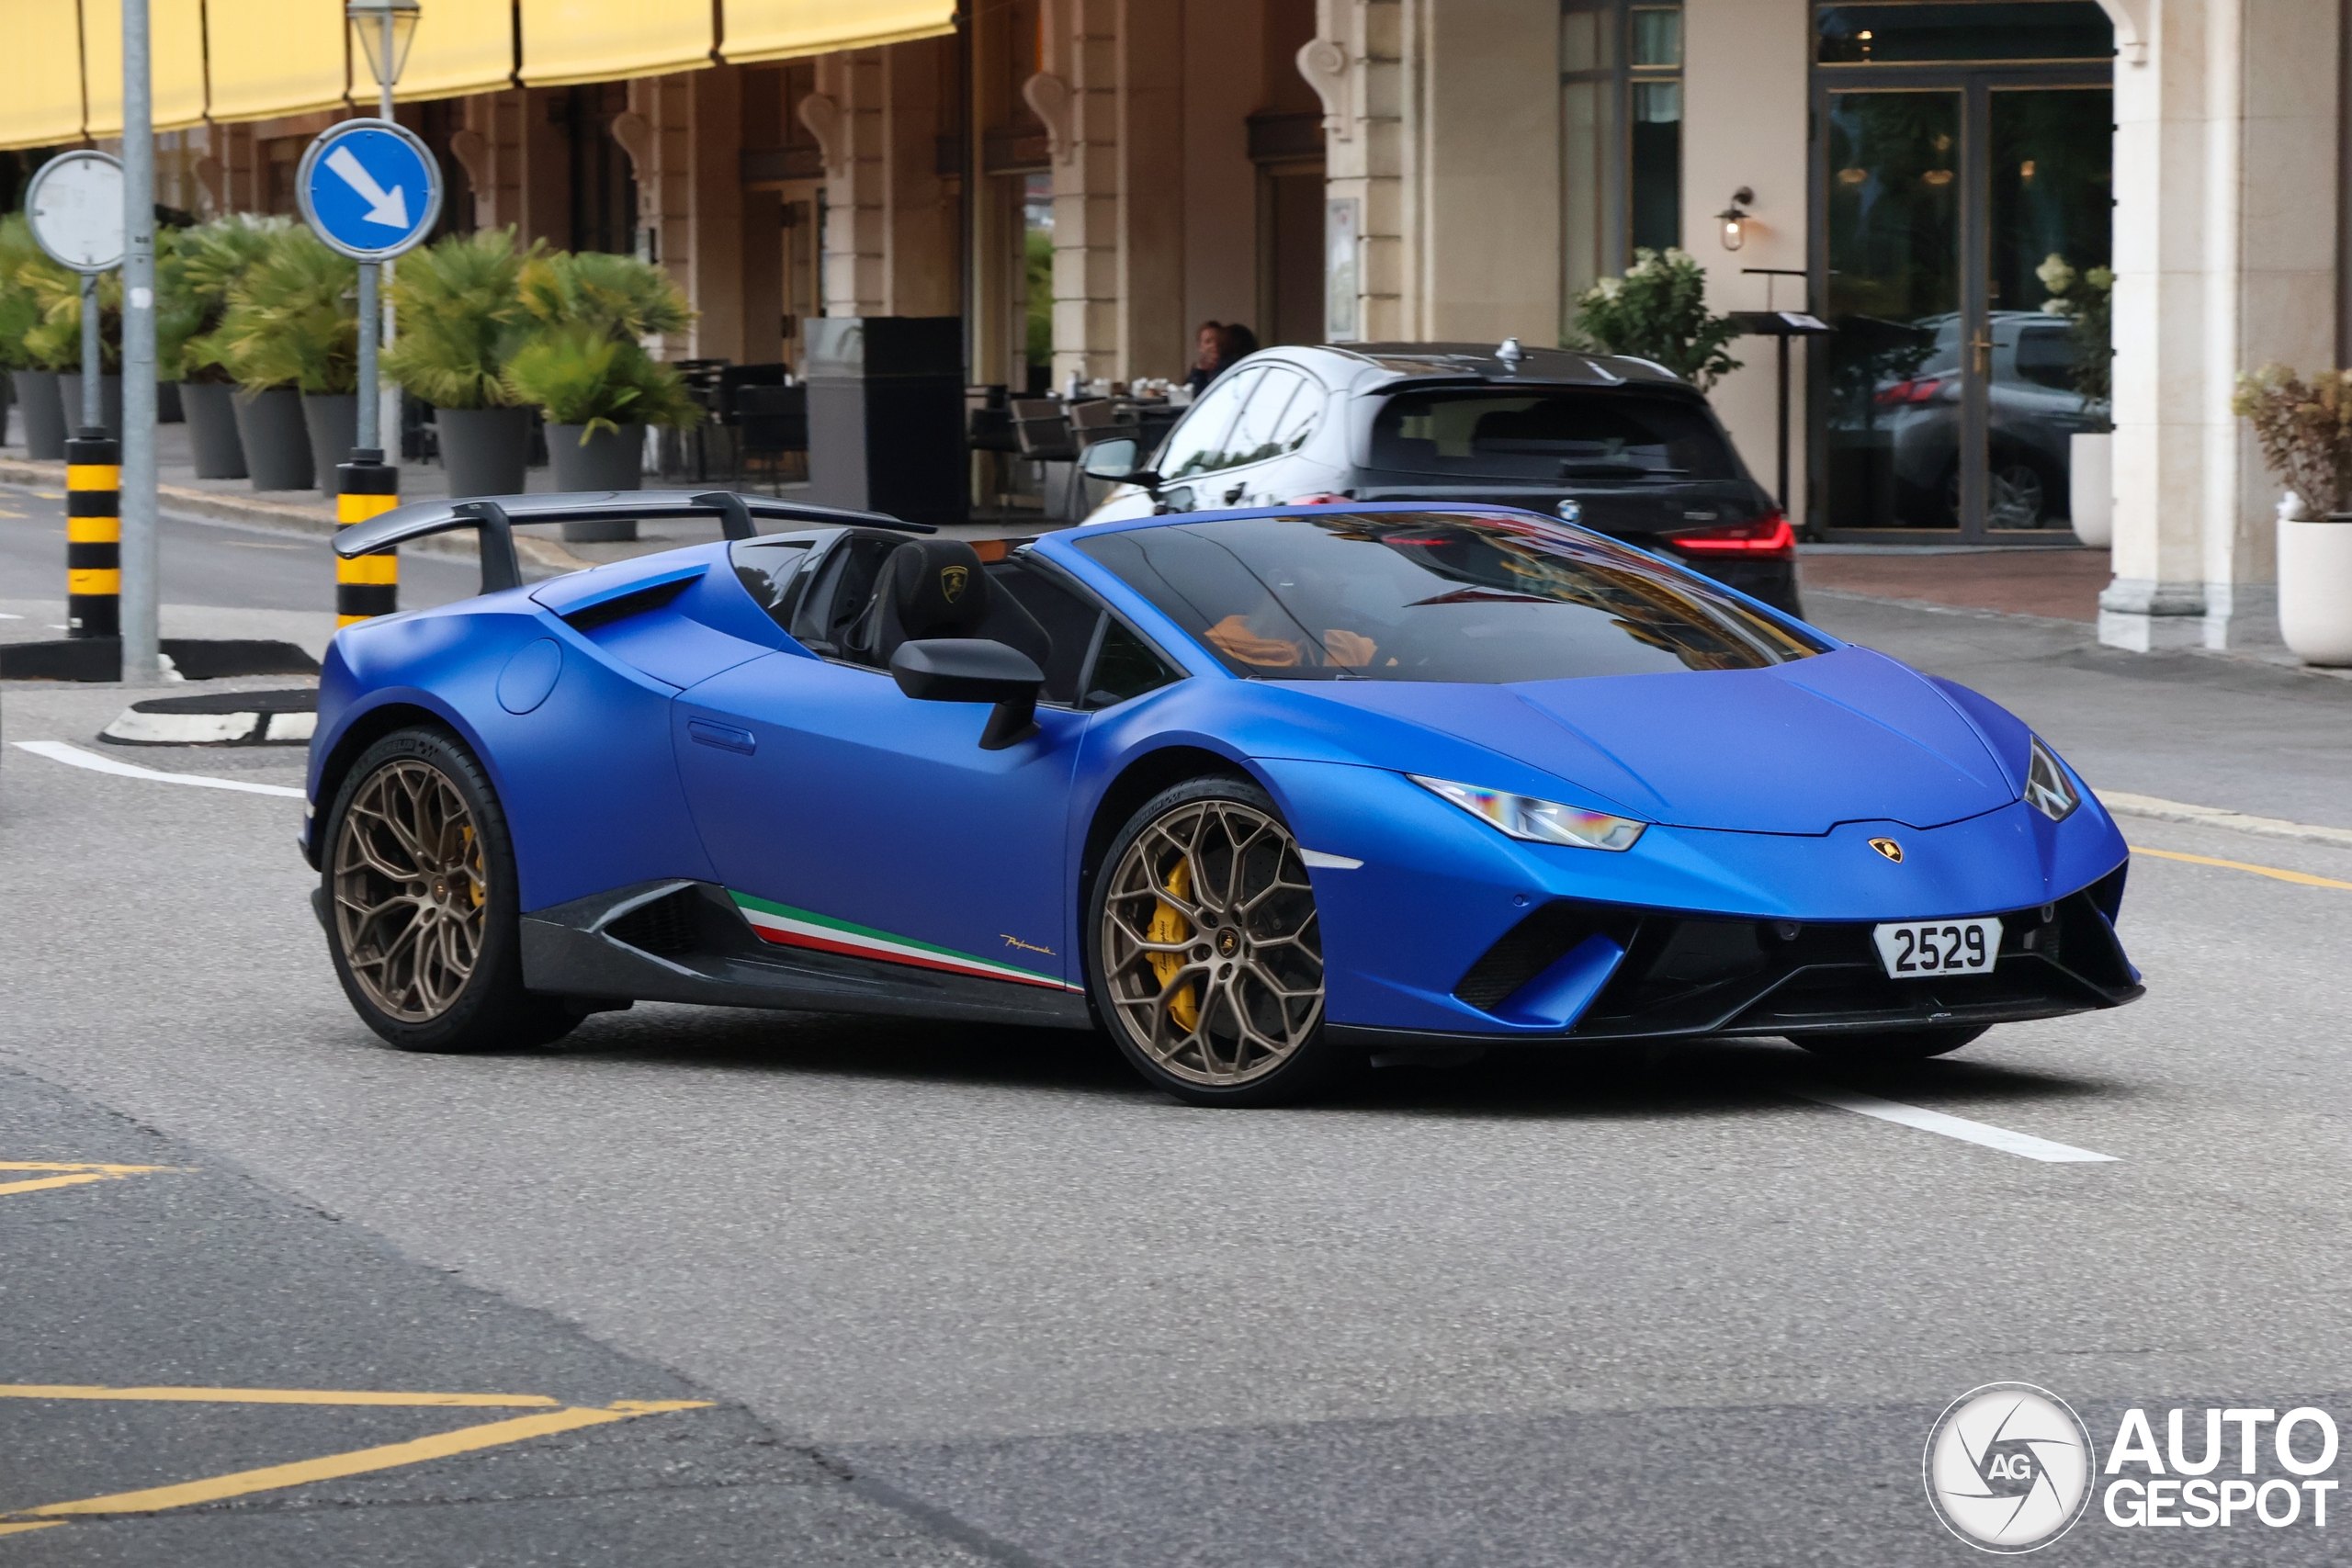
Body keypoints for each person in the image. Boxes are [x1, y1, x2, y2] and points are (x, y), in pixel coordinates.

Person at [1184, 321, 1226, 396]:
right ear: (1200, 347)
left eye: (1217, 340)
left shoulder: (1229, 367)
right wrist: (1199, 371)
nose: (1214, 345)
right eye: (1208, 341)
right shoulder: (1196, 371)